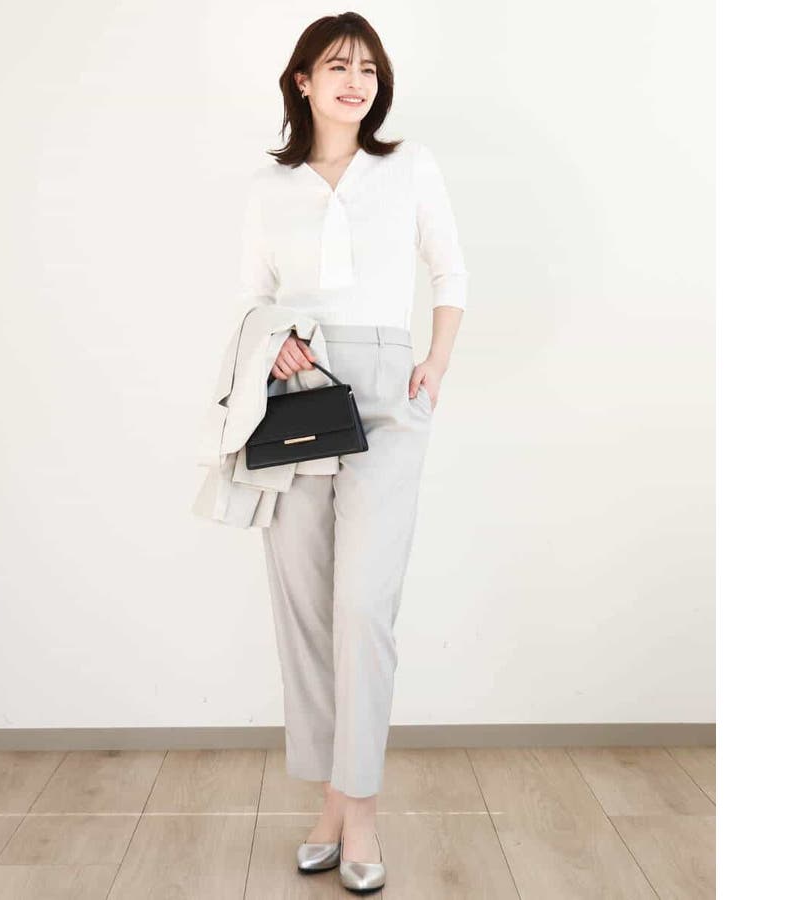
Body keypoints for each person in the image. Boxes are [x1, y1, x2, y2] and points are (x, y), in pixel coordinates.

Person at [234, 12, 468, 891]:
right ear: (302, 81)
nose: (356, 81)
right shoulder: (268, 186)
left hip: (387, 388)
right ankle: (330, 799)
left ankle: (358, 808)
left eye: (369, 68)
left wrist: (434, 363)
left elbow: (450, 270)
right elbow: (251, 298)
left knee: (364, 608)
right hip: (295, 392)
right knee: (304, 605)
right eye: (337, 66)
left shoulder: (407, 166)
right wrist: (274, 348)